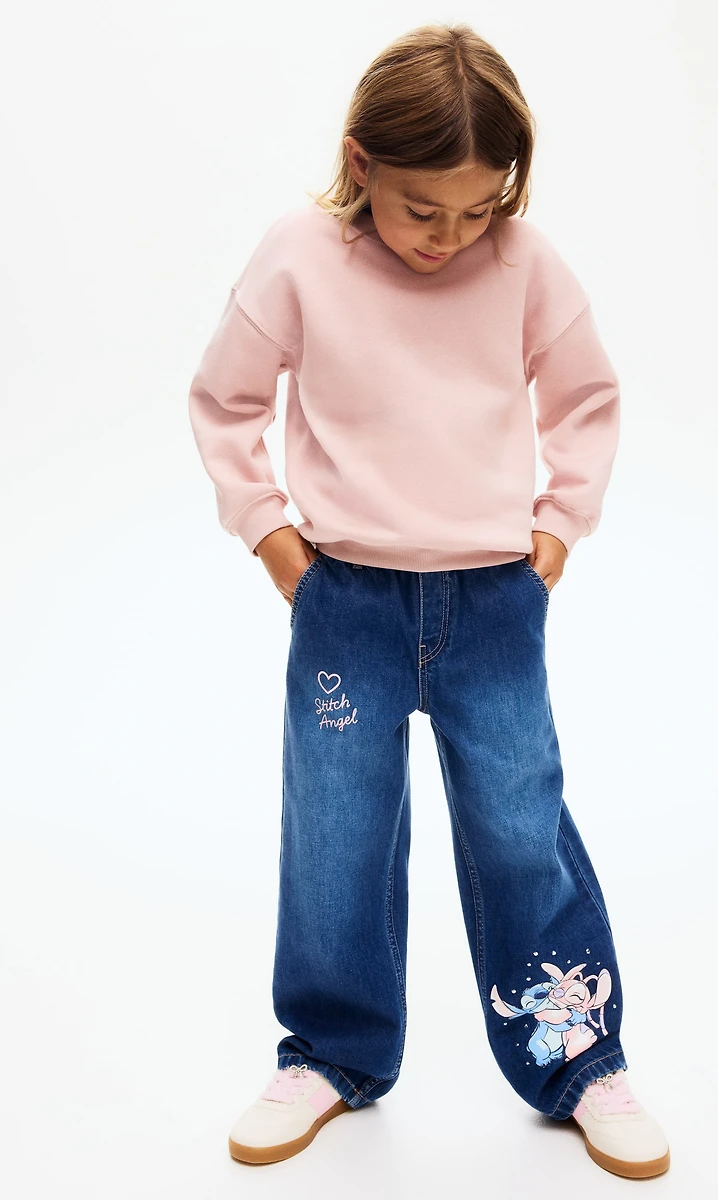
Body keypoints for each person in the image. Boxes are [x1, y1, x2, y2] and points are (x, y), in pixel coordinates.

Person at [187, 22, 670, 1181]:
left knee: (517, 826)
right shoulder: (299, 256)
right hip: (344, 604)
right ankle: (330, 1054)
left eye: (476, 208)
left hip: (492, 606)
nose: (448, 235)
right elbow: (223, 400)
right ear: (360, 163)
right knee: (336, 831)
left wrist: (556, 530)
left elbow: (585, 398)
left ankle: (574, 1057)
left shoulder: (523, 265)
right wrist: (275, 544)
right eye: (421, 209)